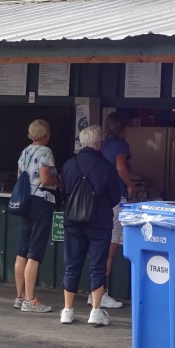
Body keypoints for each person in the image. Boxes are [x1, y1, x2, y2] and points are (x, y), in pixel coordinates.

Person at [59, 125, 123, 326]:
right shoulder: (106, 167)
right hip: (100, 223)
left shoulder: (69, 165)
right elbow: (115, 197)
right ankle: (95, 310)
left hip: (73, 221)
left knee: (71, 265)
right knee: (97, 265)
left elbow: (64, 192)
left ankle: (67, 310)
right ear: (98, 144)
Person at [12, 119, 58, 314]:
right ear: (46, 134)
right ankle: (30, 300)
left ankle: (20, 296)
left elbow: (19, 177)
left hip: (25, 202)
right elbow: (46, 178)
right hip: (41, 201)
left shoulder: (25, 152)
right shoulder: (45, 152)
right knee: (35, 250)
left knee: (22, 250)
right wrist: (59, 182)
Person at [98, 112, 140, 309]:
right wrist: (131, 186)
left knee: (104, 245)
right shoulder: (121, 145)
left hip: (103, 199)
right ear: (123, 127)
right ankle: (100, 292)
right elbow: (121, 167)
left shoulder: (104, 144)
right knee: (112, 246)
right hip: (116, 200)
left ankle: (96, 290)